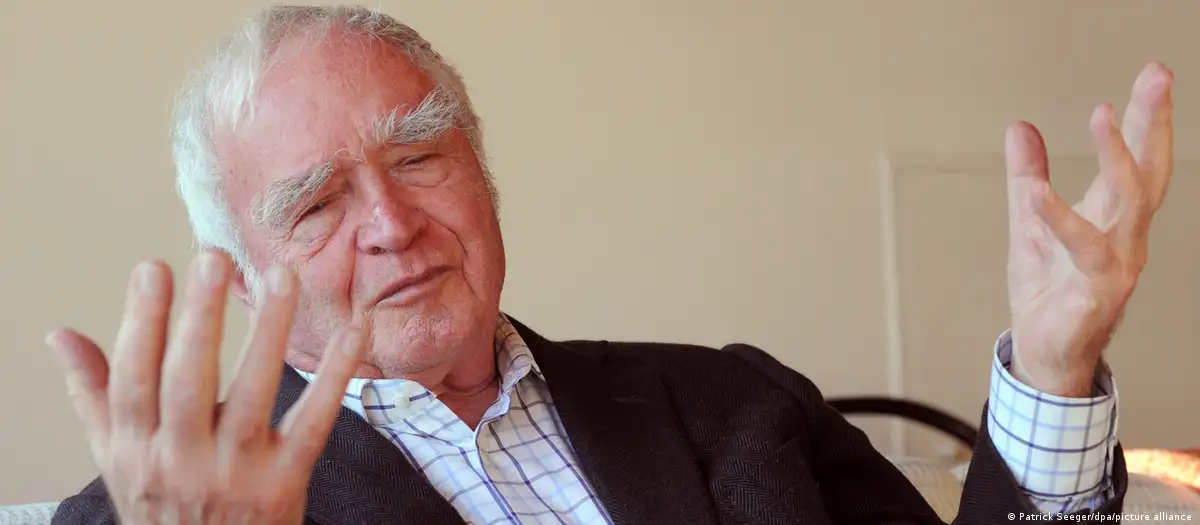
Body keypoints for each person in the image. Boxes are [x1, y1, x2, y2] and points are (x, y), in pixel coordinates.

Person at [45, 5, 1174, 525]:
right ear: (244, 277)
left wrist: (1054, 366)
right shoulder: (158, 513)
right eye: (316, 204)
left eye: (420, 156)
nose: (389, 224)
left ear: (483, 174)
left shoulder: (733, 399)